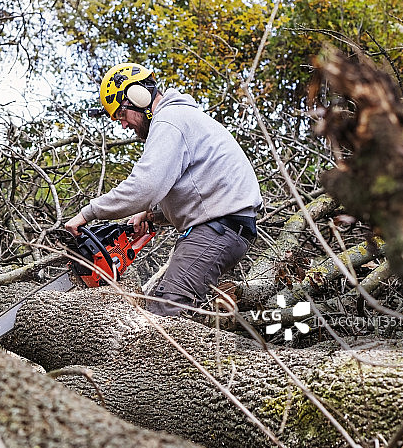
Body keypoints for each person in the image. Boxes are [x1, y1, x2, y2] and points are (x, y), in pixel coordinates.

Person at [65, 62, 262, 316]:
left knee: (166, 310)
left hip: (219, 228)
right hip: (222, 227)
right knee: (154, 305)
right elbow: (196, 188)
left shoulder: (170, 120)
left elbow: (144, 187)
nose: (124, 125)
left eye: (122, 115)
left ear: (138, 96)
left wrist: (88, 213)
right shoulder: (179, 118)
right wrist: (152, 215)